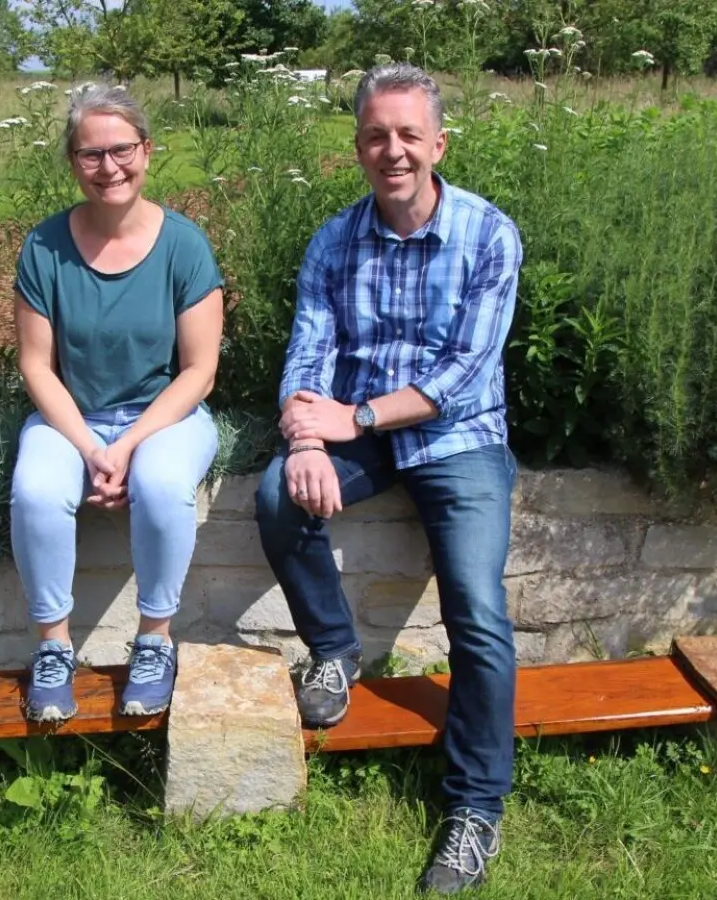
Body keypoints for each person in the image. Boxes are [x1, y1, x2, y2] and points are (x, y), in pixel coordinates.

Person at [254, 63, 523, 895]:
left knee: (476, 609)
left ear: (438, 143)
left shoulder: (488, 235)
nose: (392, 150)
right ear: (359, 146)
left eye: (409, 135)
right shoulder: (334, 239)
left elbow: (462, 376)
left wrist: (357, 419)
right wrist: (305, 437)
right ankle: (335, 651)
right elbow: (309, 350)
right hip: (353, 430)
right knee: (276, 496)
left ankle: (476, 808)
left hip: (458, 440)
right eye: (377, 135)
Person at [11, 83, 224, 723]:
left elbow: (200, 369)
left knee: (161, 485)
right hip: (72, 417)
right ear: (73, 162)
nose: (110, 168)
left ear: (147, 151)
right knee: (37, 490)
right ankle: (53, 650)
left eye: (122, 150)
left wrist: (127, 448)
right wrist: (89, 448)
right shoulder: (44, 247)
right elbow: (35, 366)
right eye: (91, 155)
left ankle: (154, 640)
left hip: (168, 416)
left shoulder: (184, 246)